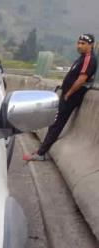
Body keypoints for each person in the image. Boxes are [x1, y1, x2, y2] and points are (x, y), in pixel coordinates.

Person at [24, 33, 97, 162]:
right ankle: (42, 149)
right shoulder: (82, 57)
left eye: (83, 44)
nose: (79, 46)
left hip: (72, 96)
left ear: (91, 45)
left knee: (57, 124)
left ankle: (41, 153)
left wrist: (68, 94)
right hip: (67, 95)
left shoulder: (88, 59)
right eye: (78, 43)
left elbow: (81, 79)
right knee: (54, 122)